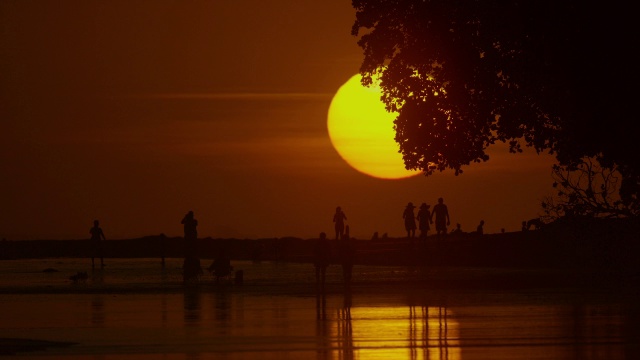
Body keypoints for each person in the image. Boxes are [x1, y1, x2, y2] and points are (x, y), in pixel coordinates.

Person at [181, 211, 201, 282]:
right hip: (188, 238)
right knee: (189, 253)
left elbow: (183, 222)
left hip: (191, 238)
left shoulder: (193, 221)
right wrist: (185, 217)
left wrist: (186, 218)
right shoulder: (188, 221)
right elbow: (182, 222)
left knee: (192, 252)